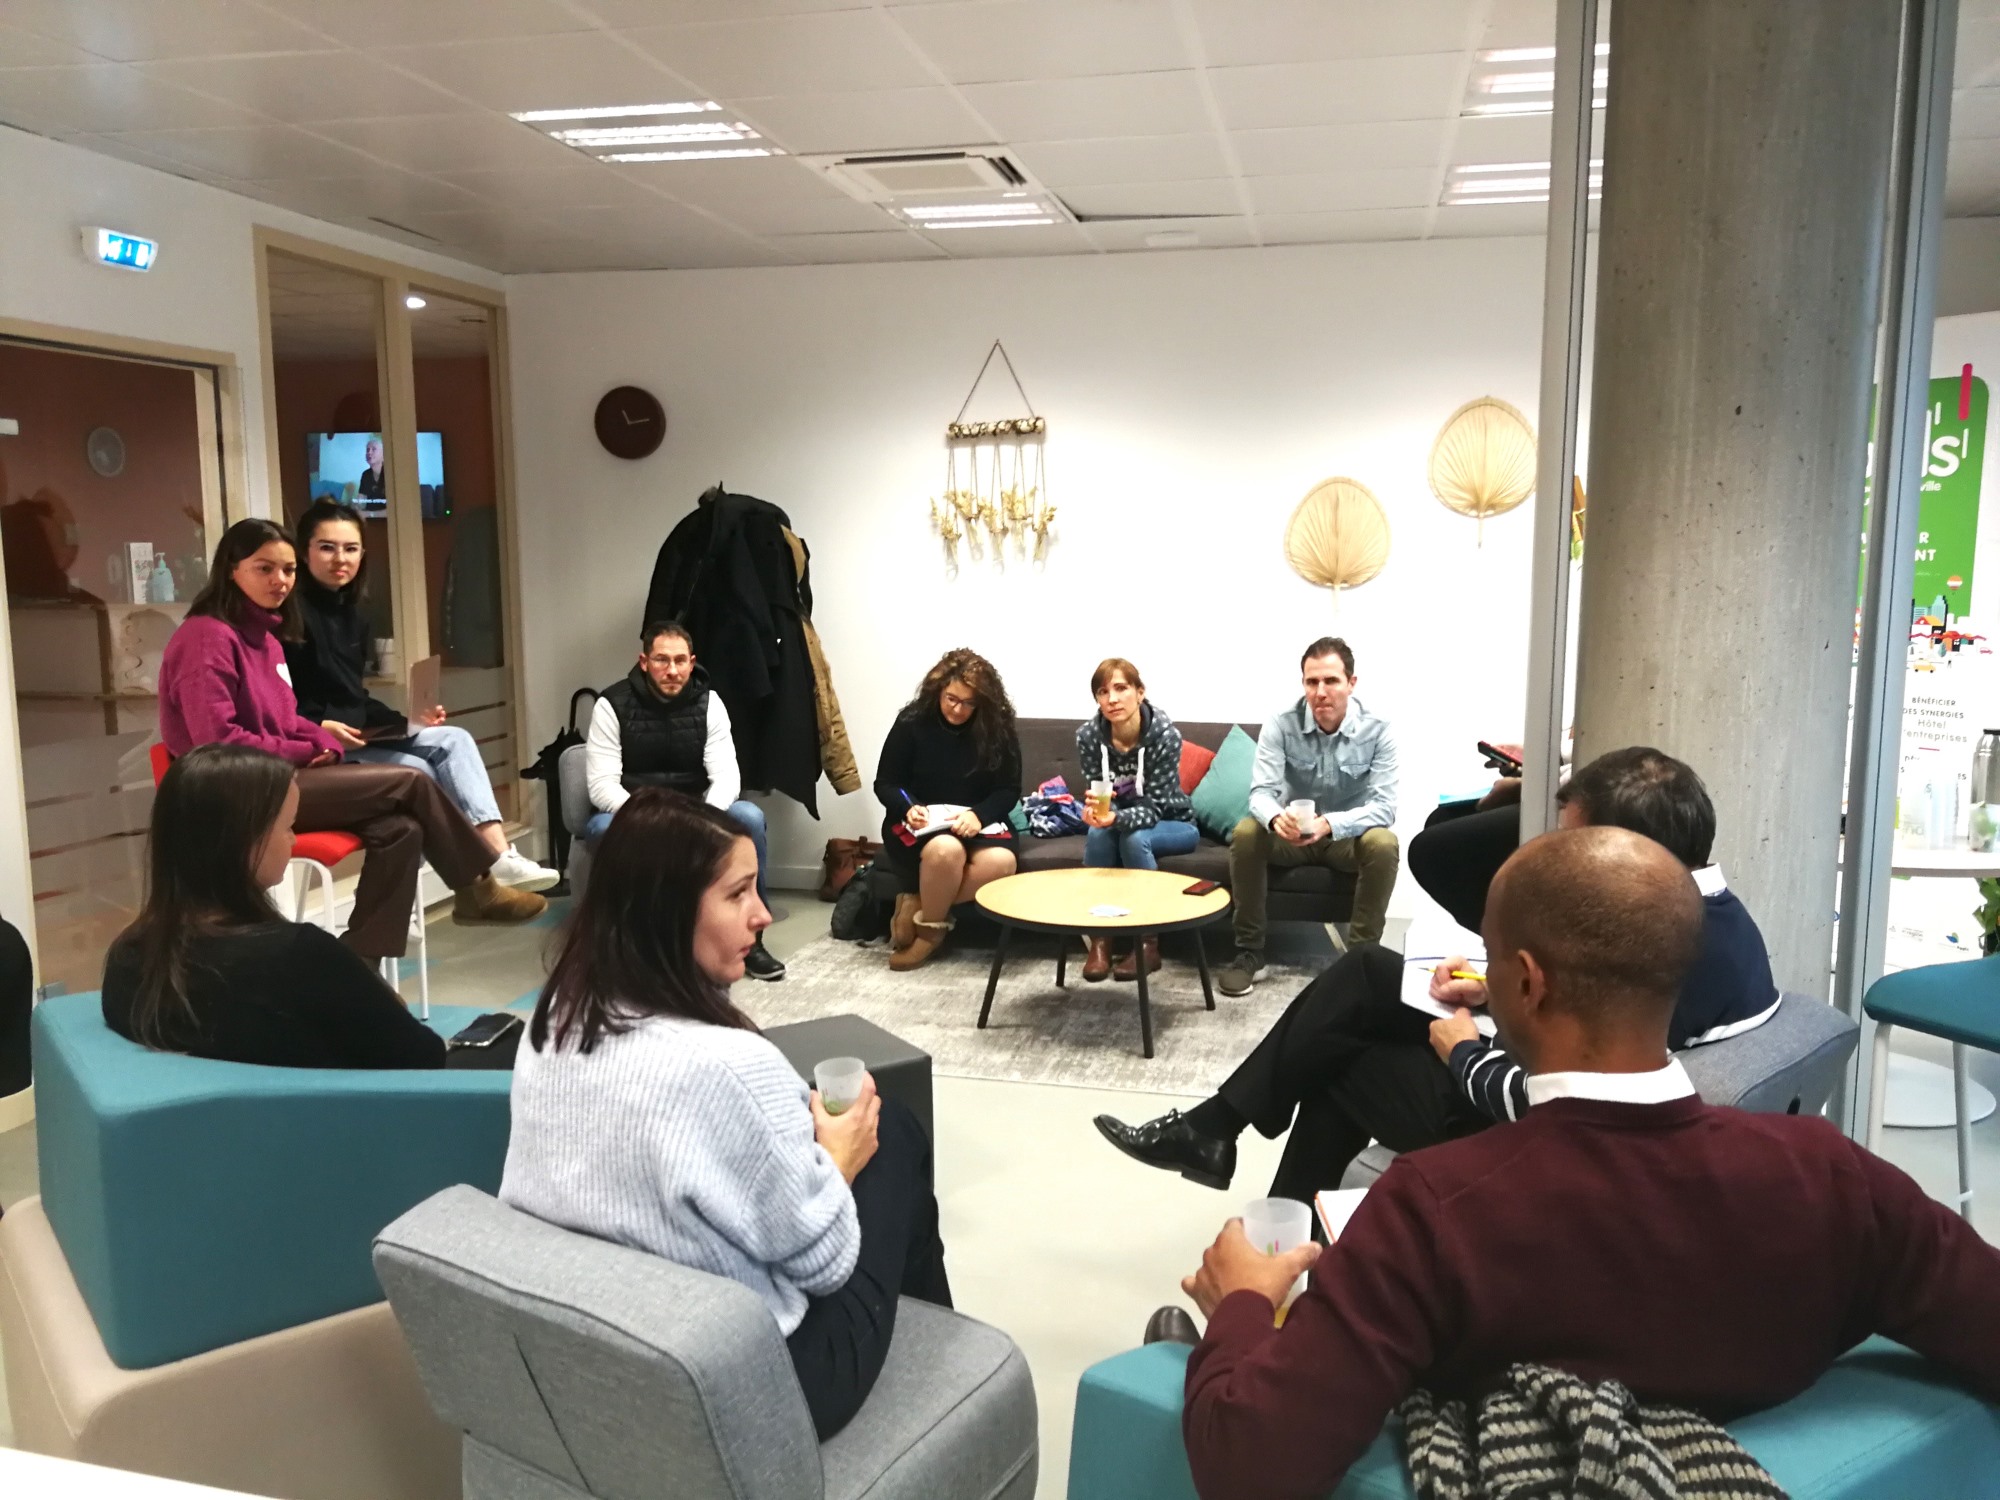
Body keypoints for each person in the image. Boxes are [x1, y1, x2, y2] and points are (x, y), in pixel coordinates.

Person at [1170, 825, 2000, 1499]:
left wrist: (1242, 1306)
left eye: (1490, 955)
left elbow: (1250, 1467)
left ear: (1526, 983)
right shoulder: (1833, 1177)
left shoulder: (1434, 1211)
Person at [1095, 747, 1778, 1201]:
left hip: (1536, 1133)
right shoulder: (1701, 919)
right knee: (1368, 972)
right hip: (1535, 1076)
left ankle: (1274, 1241)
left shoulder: (1656, 948)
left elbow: (1561, 1103)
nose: (1562, 856)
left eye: (1575, 841)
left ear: (1629, 852)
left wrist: (1466, 1052)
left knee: (1343, 1063)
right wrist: (1488, 994)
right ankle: (1224, 1143)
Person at [500, 791, 951, 1440]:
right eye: (738, 894)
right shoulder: (731, 1065)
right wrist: (837, 1162)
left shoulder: (554, 1021)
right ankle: (945, 1359)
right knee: (896, 1132)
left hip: (595, 1349)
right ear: (665, 910)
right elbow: (826, 1262)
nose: (763, 915)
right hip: (762, 1385)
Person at [157, 518, 544, 962]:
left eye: (288, 570)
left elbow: (287, 719)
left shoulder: (265, 639)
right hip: (228, 793)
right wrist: (308, 748)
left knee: (402, 829)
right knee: (410, 781)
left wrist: (323, 741)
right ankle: (478, 888)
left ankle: (362, 965)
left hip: (277, 779)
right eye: (265, 568)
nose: (280, 580)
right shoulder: (205, 637)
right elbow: (217, 742)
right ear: (231, 568)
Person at [102, 743, 444, 1069]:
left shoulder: (129, 956)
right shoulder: (300, 957)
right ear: (241, 839)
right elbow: (424, 1058)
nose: (293, 839)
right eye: (288, 826)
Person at [286, 498, 555, 891]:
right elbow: (278, 703)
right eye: (327, 547)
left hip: (357, 735)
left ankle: (495, 858)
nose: (340, 558)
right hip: (319, 748)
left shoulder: (355, 613)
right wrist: (318, 726)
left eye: (351, 548)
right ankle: (481, 879)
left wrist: (408, 722)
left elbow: (352, 696)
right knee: (422, 772)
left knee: (453, 739)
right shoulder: (289, 615)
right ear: (304, 551)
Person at [584, 619, 783, 981]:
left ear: (692, 663)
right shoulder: (610, 705)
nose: (672, 670)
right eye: (662, 660)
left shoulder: (711, 703)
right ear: (644, 662)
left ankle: (750, 941)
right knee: (600, 828)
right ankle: (616, 947)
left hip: (697, 809)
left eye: (680, 661)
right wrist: (654, 819)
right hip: (637, 811)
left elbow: (727, 778)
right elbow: (601, 786)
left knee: (749, 817)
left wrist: (697, 820)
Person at [1219, 637, 1399, 998]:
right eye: (1311, 681)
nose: (1320, 692)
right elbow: (1261, 793)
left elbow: (1385, 806)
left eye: (1331, 681)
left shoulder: (1378, 728)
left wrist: (1330, 824)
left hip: (1345, 840)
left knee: (1384, 842)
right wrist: (1275, 820)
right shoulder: (1281, 723)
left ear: (1351, 683)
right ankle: (1249, 951)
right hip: (1292, 838)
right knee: (1246, 832)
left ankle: (1360, 960)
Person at [872, 648, 1022, 973]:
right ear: (938, 691)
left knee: (1002, 863)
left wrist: (979, 815)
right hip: (921, 822)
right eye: (951, 699)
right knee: (945, 850)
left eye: (969, 703)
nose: (958, 709)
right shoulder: (912, 721)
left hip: (978, 821)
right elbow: (886, 783)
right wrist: (907, 806)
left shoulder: (998, 727)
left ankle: (920, 906)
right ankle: (930, 936)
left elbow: (1008, 790)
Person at [1076, 657, 1198, 981]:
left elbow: (1154, 809)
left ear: (1140, 692)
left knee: (1135, 838)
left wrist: (1113, 819)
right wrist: (1095, 814)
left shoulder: (1165, 736)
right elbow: (1099, 793)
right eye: (1103, 692)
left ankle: (1147, 943)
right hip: (1119, 820)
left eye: (1121, 688)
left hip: (1175, 823)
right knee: (1097, 835)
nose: (1112, 699)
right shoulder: (1088, 737)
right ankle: (1100, 939)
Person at [357, 437, 386, 502]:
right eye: (367, 450)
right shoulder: (365, 474)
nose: (369, 452)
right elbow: (360, 500)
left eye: (374, 449)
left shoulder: (390, 473)